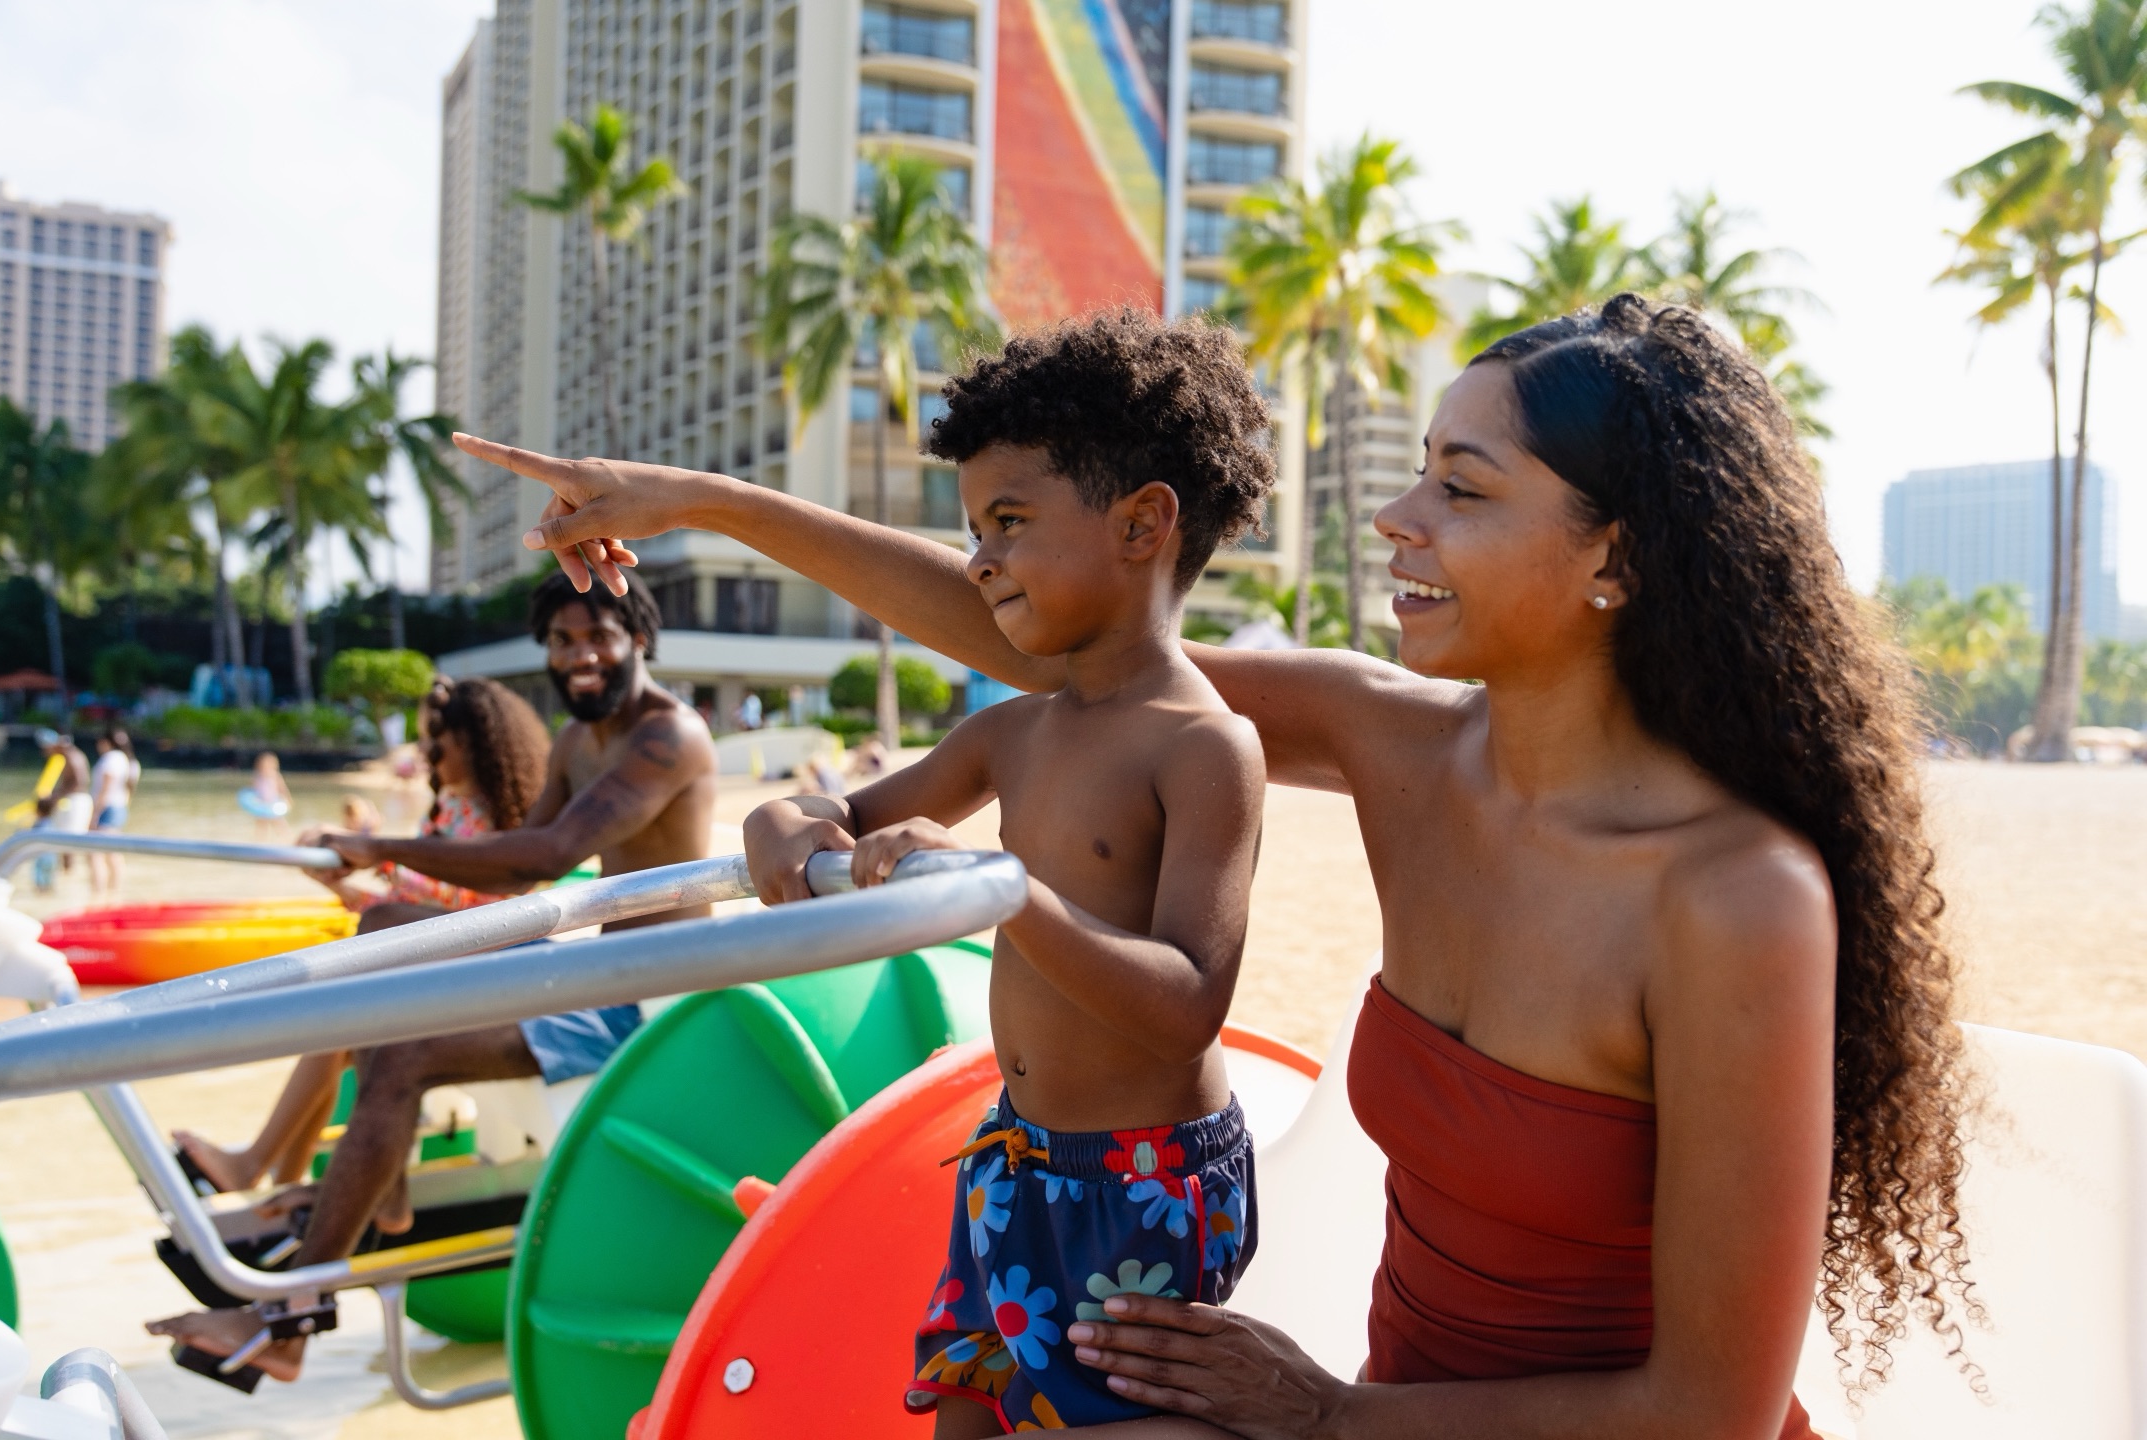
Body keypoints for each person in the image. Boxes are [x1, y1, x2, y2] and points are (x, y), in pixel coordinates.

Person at [456, 293, 1979, 1436]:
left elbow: (1700, 1414)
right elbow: (1054, 630)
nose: (1397, 515)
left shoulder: (1736, 898)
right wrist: (696, 504)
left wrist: (1323, 1415)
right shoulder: (1403, 744)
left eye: (1462, 487)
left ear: (1617, 561)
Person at [739, 310, 1269, 1435]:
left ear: (1143, 524)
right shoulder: (1014, 734)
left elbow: (1188, 1006)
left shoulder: (1204, 746)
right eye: (975, 528)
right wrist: (783, 819)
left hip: (1143, 1184)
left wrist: (1009, 890)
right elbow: (843, 811)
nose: (979, 560)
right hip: (1014, 1157)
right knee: (966, 1417)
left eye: (1010, 523)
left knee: (1112, 1421)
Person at [148, 574, 719, 1384]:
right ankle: (383, 1169)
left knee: (406, 1054)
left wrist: (384, 847)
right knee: (380, 933)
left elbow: (547, 856)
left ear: (640, 638)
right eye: (562, 642)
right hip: (593, 965)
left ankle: (289, 1324)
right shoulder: (574, 741)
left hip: (651, 995)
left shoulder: (671, 736)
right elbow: (513, 880)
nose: (580, 656)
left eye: (599, 637)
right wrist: (376, 889)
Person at [172, 676, 551, 1208]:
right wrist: (351, 881)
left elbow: (465, 897)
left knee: (334, 1021)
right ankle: (278, 1178)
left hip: (478, 971)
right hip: (447, 960)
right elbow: (428, 900)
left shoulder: (489, 815)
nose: (426, 753)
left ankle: (258, 1167)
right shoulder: (454, 807)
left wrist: (377, 855)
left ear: (475, 743)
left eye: (436, 740)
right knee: (332, 1032)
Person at [30, 735, 91, 895]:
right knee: (63, 842)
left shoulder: (72, 757)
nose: (46, 752)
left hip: (76, 802)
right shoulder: (66, 757)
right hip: (73, 801)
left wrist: (54, 796)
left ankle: (69, 877)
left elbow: (79, 783)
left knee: (68, 842)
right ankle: (66, 877)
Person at [87, 729, 141, 893]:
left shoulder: (111, 759)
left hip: (107, 808)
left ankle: (98, 893)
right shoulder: (130, 761)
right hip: (119, 807)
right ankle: (114, 892)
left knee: (95, 852)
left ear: (106, 742)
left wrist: (94, 814)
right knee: (112, 852)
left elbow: (105, 788)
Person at [243, 752, 292, 840]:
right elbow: (252, 791)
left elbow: (283, 789)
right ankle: (260, 840)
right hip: (262, 804)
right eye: (264, 765)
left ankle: (285, 838)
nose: (266, 767)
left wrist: (287, 799)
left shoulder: (275, 776)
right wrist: (253, 801)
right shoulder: (257, 777)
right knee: (261, 824)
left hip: (273, 803)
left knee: (278, 822)